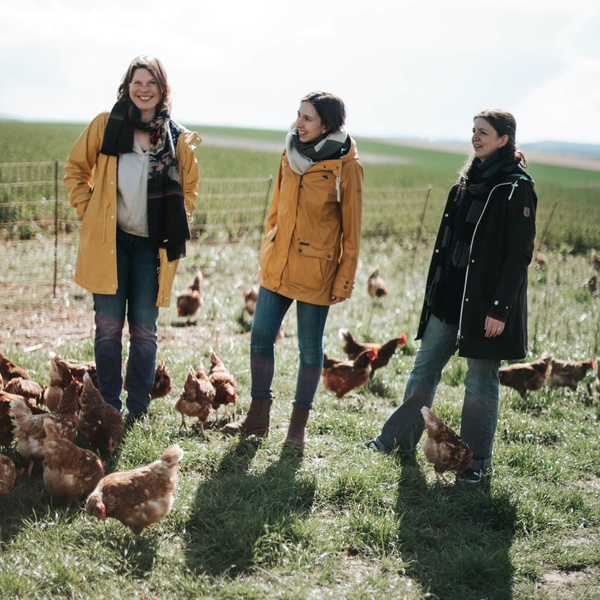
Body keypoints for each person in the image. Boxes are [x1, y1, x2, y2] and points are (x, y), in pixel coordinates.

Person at [362, 109, 538, 482]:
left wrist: (499, 309)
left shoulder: (515, 187)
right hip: (449, 297)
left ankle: (474, 465)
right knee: (423, 369)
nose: (476, 137)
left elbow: (518, 256)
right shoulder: (465, 182)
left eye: (484, 132)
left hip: (485, 305)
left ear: (504, 139)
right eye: (474, 131)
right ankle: (397, 442)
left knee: (479, 383)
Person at [64, 56, 201, 423]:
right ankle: (110, 407)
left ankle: (138, 409)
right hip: (109, 243)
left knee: (144, 332)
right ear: (127, 87)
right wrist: (88, 210)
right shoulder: (106, 125)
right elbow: (75, 169)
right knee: (108, 329)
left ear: (162, 89)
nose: (144, 89)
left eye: (151, 82)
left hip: (149, 248)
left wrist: (175, 220)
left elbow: (189, 192)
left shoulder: (177, 139)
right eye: (137, 82)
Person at [223, 91, 364, 447]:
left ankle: (297, 429)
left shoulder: (347, 166)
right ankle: (257, 417)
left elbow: (353, 229)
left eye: (307, 118)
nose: (298, 124)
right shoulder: (289, 153)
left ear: (326, 126)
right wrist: (268, 245)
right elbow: (275, 208)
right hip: (278, 262)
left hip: (317, 271)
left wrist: (343, 280)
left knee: (309, 350)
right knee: (260, 337)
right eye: (298, 115)